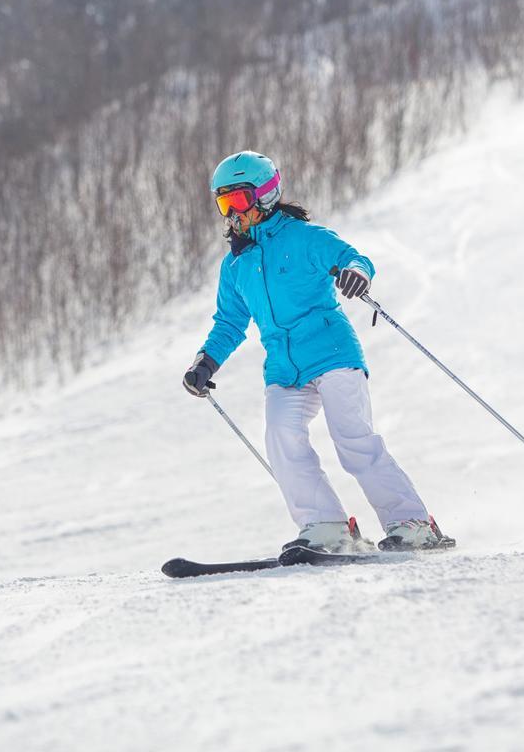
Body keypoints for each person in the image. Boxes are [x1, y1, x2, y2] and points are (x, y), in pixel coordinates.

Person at [183, 151, 450, 553]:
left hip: (333, 354)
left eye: (237, 200)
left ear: (265, 195)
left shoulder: (305, 238)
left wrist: (356, 274)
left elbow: (353, 258)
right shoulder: (235, 266)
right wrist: (206, 362)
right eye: (223, 203)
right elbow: (229, 323)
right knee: (281, 437)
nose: (230, 213)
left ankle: (412, 523)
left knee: (353, 439)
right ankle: (325, 525)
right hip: (283, 369)